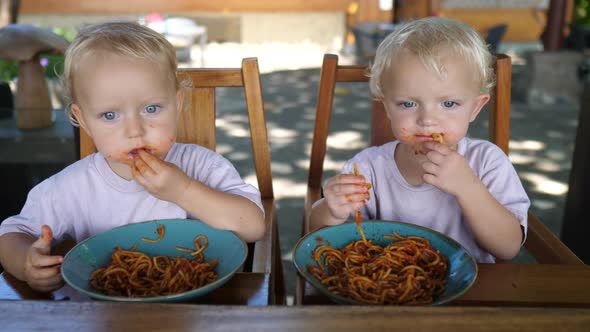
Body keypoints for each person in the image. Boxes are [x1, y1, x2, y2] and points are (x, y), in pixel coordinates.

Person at [0, 22, 265, 292]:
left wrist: (183, 191)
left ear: (178, 104)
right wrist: (26, 263)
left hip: (200, 307)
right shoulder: (73, 187)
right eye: (110, 115)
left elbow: (254, 226)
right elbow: (11, 234)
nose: (135, 130)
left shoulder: (202, 165)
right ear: (84, 121)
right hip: (105, 313)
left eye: (151, 108)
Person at [310, 17, 530, 263]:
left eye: (449, 104)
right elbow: (320, 236)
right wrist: (330, 210)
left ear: (475, 108)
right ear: (387, 107)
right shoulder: (367, 169)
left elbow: (508, 248)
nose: (427, 119)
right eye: (408, 103)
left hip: (472, 291)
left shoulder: (488, 162)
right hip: (386, 287)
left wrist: (469, 188)